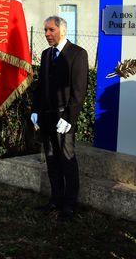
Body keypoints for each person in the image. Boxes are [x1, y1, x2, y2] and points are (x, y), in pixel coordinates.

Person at [32, 16, 88, 221]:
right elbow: (40, 86)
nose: (47, 34)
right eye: (45, 30)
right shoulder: (47, 54)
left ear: (62, 30)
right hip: (46, 118)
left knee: (66, 160)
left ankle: (69, 204)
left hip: (64, 119)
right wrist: (35, 109)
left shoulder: (78, 54)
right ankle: (55, 199)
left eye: (51, 30)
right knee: (51, 160)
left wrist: (69, 117)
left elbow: (79, 90)